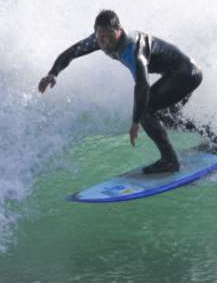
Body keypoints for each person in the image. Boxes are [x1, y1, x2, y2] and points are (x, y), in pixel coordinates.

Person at [38, 9, 205, 174]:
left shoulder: (132, 49)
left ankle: (169, 161)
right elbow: (71, 53)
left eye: (109, 36)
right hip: (180, 73)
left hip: (186, 74)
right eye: (100, 36)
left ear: (119, 31)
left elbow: (142, 85)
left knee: (146, 111)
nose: (105, 42)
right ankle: (214, 136)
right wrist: (53, 73)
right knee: (166, 118)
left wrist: (135, 122)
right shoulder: (98, 39)